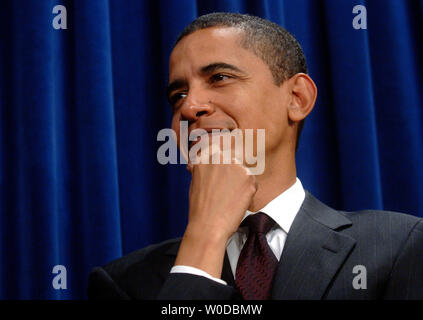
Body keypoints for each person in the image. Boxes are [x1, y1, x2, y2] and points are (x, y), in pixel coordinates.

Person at [87, 12, 423, 300]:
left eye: (219, 78)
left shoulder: (397, 246)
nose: (189, 107)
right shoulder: (123, 283)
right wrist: (204, 240)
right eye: (178, 95)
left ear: (297, 98)